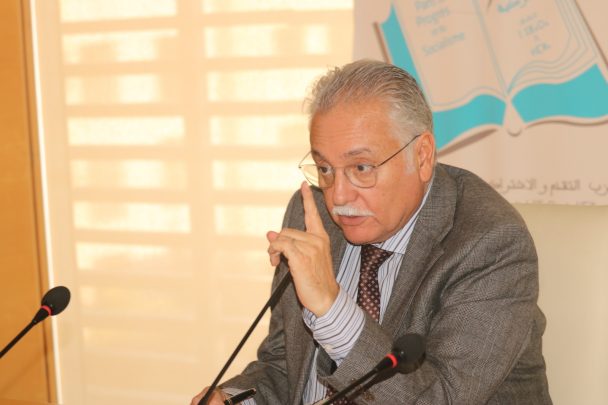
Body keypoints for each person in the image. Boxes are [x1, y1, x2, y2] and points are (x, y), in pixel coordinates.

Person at [192, 59, 551, 404]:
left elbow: (441, 399)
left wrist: (331, 309)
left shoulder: (489, 244)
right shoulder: (310, 215)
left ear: (422, 156)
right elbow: (284, 365)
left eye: (361, 168)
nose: (338, 196)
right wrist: (235, 400)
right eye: (324, 168)